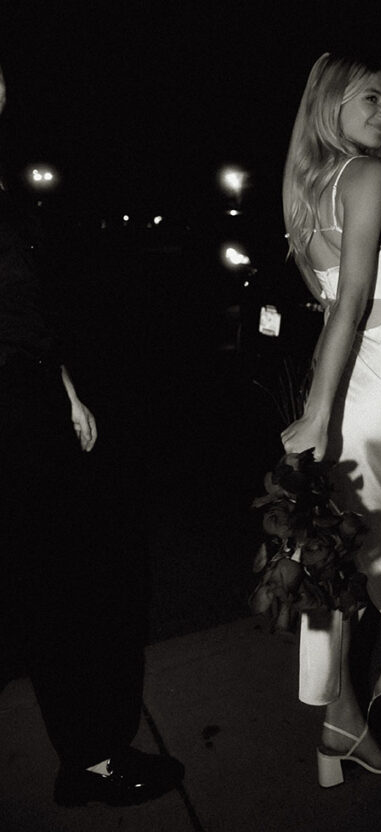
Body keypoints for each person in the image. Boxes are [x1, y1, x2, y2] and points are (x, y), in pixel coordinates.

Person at [0, 64, 184, 806]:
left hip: (33, 390)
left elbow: (21, 306)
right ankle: (92, 761)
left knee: (74, 583)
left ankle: (90, 752)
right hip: (10, 405)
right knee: (61, 592)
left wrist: (64, 387)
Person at [281, 52, 381, 787]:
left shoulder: (306, 189)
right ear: (330, 104)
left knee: (335, 560)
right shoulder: (371, 177)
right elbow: (351, 301)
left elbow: (327, 309)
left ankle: (341, 728)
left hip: (344, 376)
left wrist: (320, 398)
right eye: (370, 96)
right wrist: (319, 412)